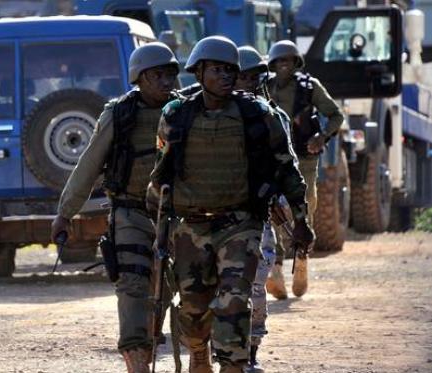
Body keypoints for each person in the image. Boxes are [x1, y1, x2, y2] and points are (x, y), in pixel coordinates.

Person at [147, 36, 314, 373]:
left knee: (235, 301)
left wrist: (300, 220)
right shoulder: (176, 115)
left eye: (230, 70)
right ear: (199, 73)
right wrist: (159, 232)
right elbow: (161, 177)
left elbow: (287, 169)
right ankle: (198, 352)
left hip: (241, 224)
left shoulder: (259, 115)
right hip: (190, 226)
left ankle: (233, 365)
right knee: (193, 309)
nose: (226, 76)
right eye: (217, 70)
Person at [50, 42, 180, 373]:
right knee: (133, 283)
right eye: (158, 75)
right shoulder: (119, 114)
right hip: (131, 212)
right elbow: (88, 165)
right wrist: (65, 213)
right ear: (140, 77)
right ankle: (137, 357)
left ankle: (160, 340)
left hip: (179, 215)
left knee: (170, 285)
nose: (166, 82)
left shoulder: (185, 111)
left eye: (170, 74)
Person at [265, 40, 345, 299]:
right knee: (271, 210)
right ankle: (276, 266)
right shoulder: (264, 87)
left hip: (304, 159)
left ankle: (301, 259)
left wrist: (321, 137)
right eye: (279, 61)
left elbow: (336, 115)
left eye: (288, 60)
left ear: (296, 63)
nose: (283, 66)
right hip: (274, 158)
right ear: (273, 65)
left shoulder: (310, 87)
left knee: (304, 207)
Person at [234, 45, 292, 373]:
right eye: (240, 75)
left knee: (255, 285)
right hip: (212, 215)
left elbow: (287, 169)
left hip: (257, 214)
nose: (245, 82)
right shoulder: (203, 112)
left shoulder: (273, 118)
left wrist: (289, 211)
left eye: (252, 76)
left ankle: (251, 352)